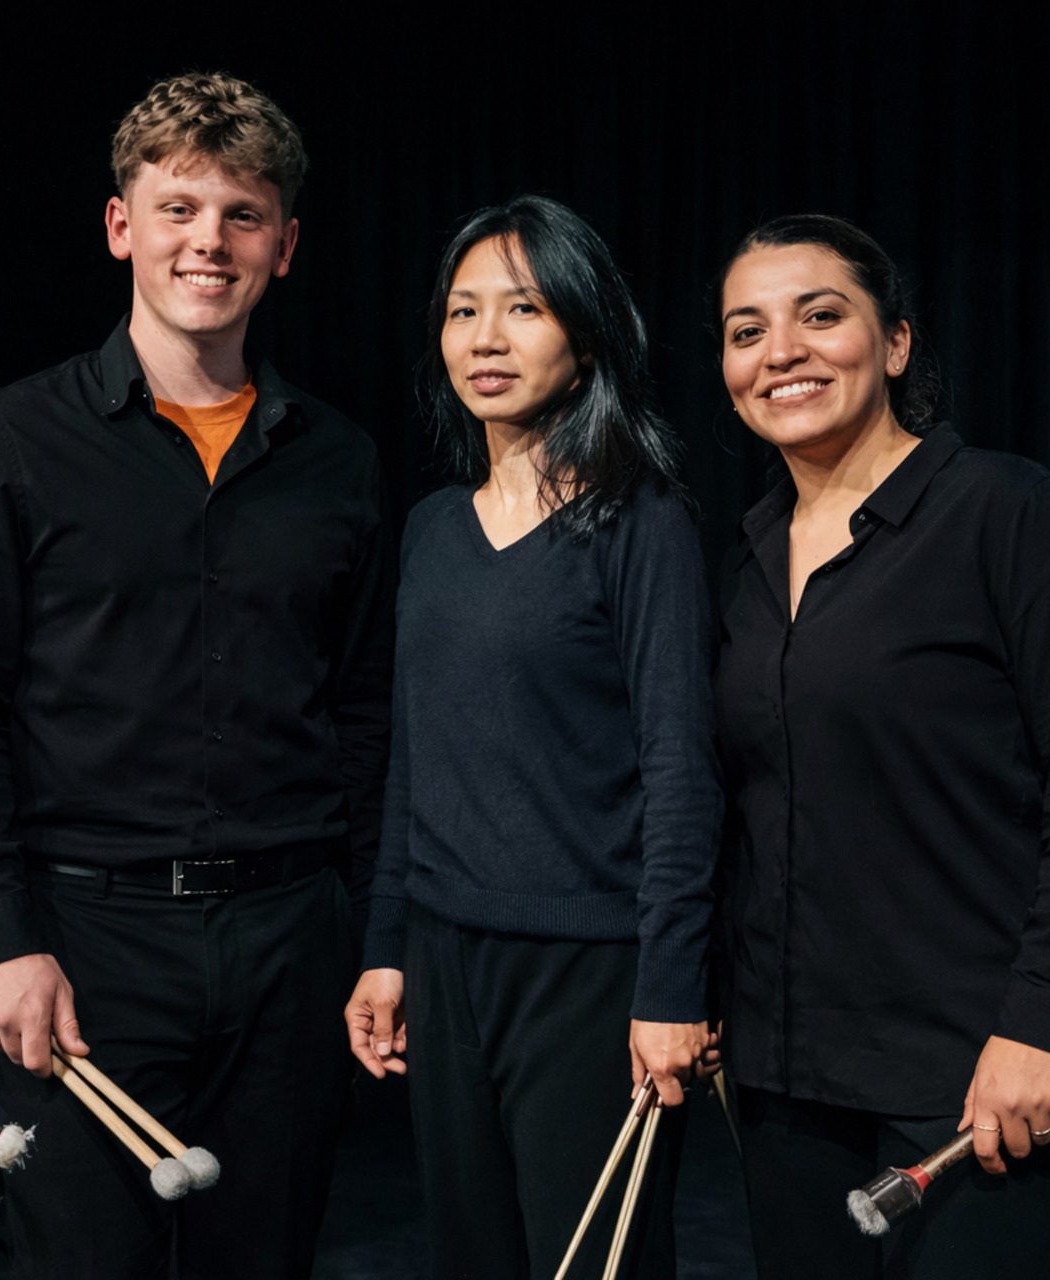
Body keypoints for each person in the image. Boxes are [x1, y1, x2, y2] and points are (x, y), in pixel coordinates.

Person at [0, 71, 393, 1279]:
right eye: (179, 208)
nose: (207, 241)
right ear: (122, 226)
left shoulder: (339, 461)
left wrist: (373, 934)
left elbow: (369, 714)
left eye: (241, 214)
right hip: (81, 943)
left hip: (289, 943)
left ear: (284, 245)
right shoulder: (7, 440)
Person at [712, 214, 1050, 1279]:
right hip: (791, 1091)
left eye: (821, 316)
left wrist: (1046, 1020)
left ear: (897, 341)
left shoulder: (1008, 513)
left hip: (983, 1079)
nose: (782, 352)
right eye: (747, 330)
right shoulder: (746, 559)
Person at [343, 195, 721, 1280]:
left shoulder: (641, 522)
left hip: (590, 970)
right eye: (463, 311)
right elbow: (413, 759)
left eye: (524, 308)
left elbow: (682, 771)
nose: (486, 339)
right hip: (445, 957)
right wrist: (384, 945)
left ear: (587, 337)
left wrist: (671, 987)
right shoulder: (432, 529)